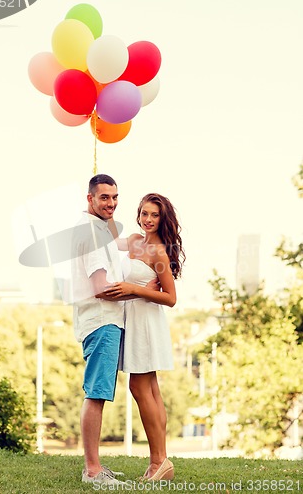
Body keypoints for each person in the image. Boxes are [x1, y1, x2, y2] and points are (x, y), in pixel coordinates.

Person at [103, 193, 185, 481]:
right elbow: (107, 241)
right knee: (150, 390)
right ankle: (160, 463)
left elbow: (171, 297)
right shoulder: (135, 241)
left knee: (140, 388)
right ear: (138, 215)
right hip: (134, 319)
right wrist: (101, 211)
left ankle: (158, 460)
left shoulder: (159, 252)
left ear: (162, 219)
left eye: (154, 215)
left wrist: (135, 289)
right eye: (144, 214)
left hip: (147, 323)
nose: (148, 220)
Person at [71, 173, 126, 486]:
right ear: (89, 198)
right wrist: (140, 290)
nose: (112, 203)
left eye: (115, 197)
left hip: (102, 322)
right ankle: (92, 471)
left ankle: (95, 466)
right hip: (102, 321)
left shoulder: (95, 229)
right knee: (95, 395)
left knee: (98, 394)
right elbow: (101, 287)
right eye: (104, 197)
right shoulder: (92, 233)